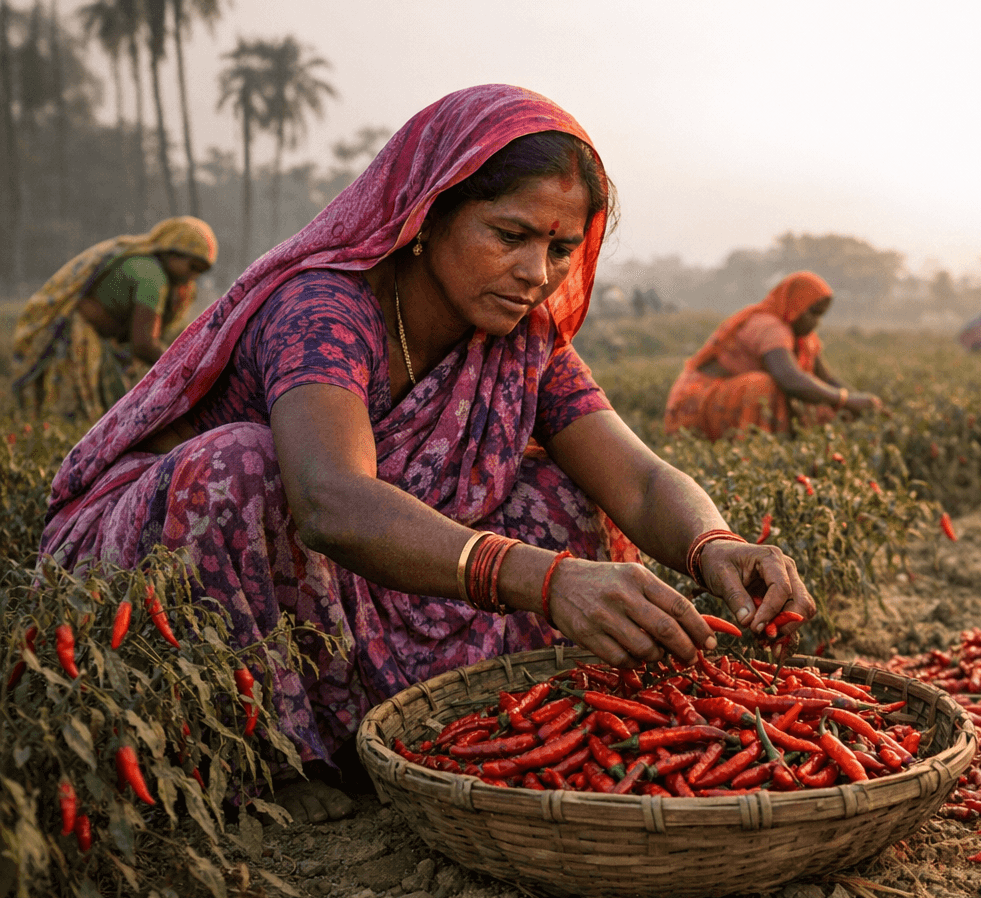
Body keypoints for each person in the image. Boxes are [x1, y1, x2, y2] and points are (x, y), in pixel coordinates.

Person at [40, 85, 814, 823]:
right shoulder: (325, 309)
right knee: (243, 464)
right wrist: (545, 580)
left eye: (560, 248)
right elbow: (331, 502)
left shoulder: (520, 335)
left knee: (560, 492)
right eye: (510, 236)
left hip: (358, 567)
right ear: (425, 216)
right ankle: (269, 752)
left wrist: (716, 545)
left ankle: (450, 719)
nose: (536, 273)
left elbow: (637, 479)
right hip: (182, 561)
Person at [12, 217, 217, 420]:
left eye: (201, 271)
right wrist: (186, 370)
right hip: (78, 338)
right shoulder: (152, 277)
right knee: (78, 418)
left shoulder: (163, 278)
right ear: (171, 251)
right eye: (192, 266)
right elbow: (143, 344)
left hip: (104, 339)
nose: (194, 275)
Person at [663, 271, 880, 440]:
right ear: (795, 305)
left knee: (821, 398)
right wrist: (845, 400)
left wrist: (861, 402)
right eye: (813, 313)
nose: (816, 323)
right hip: (697, 404)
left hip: (725, 401)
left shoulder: (804, 339)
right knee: (763, 387)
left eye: (820, 316)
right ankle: (751, 448)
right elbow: (790, 379)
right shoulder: (769, 326)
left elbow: (825, 379)